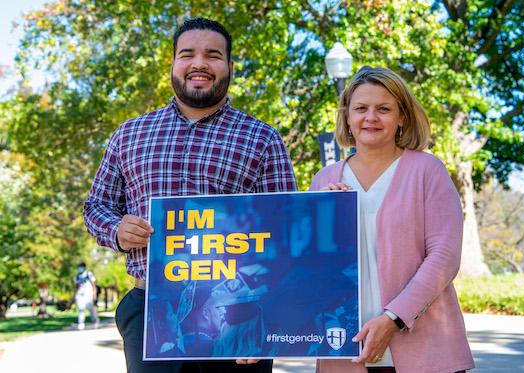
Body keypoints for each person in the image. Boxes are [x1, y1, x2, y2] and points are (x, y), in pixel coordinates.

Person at [83, 17, 297, 373]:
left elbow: (285, 228)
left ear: (229, 66)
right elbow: (96, 207)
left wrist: (269, 319)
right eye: (188, 54)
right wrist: (117, 229)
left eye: (213, 55)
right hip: (153, 308)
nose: (199, 63)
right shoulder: (129, 134)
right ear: (173, 64)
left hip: (236, 309)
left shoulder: (263, 138)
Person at [310, 66, 474, 373]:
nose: (370, 117)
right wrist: (323, 215)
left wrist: (393, 318)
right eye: (360, 108)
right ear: (347, 116)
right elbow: (309, 265)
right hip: (343, 350)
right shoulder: (324, 180)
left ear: (402, 117)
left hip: (425, 348)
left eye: (383, 109)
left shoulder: (427, 170)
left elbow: (444, 256)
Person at [74, 262, 99, 330]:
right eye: (79, 267)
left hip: (89, 295)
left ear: (84, 267)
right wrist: (75, 295)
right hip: (80, 295)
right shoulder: (77, 276)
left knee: (91, 310)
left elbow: (94, 285)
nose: (80, 268)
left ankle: (95, 321)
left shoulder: (89, 274)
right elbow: (76, 286)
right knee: (81, 309)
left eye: (81, 267)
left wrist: (94, 294)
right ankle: (81, 323)